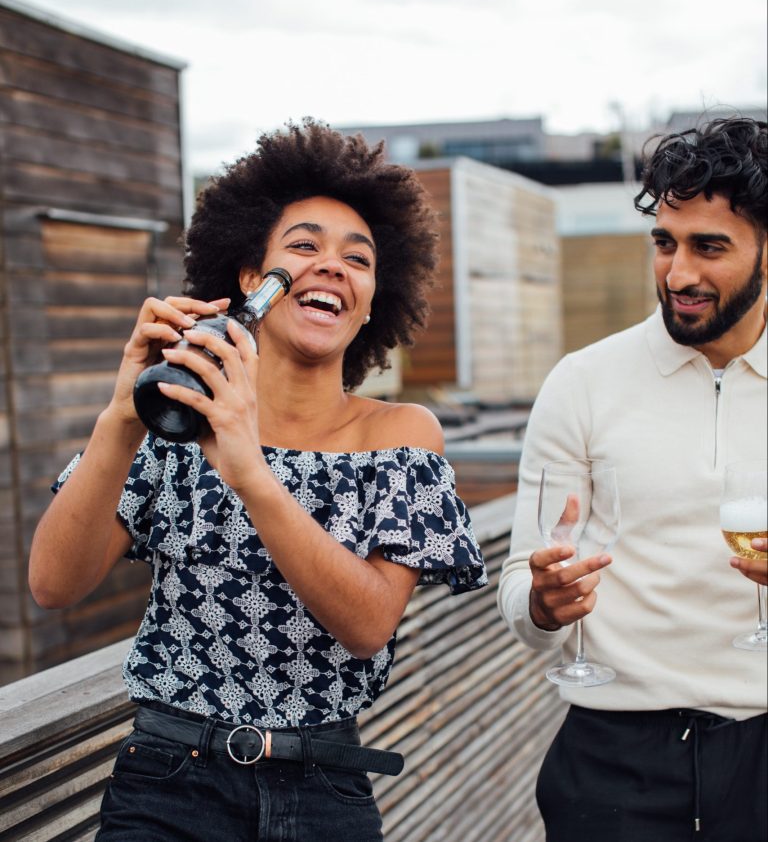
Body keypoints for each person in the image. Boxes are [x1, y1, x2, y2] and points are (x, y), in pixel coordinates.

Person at [29, 120, 487, 842]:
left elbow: (368, 625)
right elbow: (54, 584)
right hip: (166, 783)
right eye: (303, 246)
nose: (332, 266)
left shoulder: (400, 435)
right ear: (253, 279)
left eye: (358, 260)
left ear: (372, 298)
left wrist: (248, 468)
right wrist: (121, 417)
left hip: (326, 786)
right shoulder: (177, 421)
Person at [497, 117, 767, 842]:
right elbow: (521, 595)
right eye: (665, 243)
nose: (678, 274)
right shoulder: (582, 383)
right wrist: (548, 604)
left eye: (710, 247)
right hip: (616, 761)